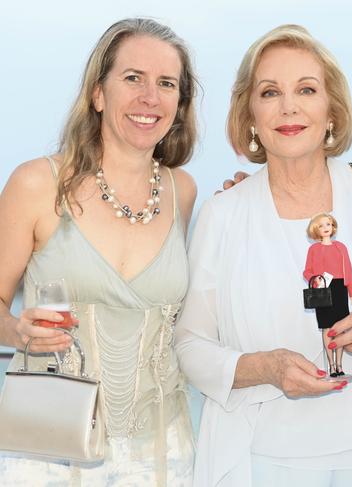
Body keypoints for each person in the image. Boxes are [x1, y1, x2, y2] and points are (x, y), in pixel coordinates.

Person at [175, 24, 352, 487]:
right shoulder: (222, 213)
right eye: (270, 92)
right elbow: (190, 344)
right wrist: (266, 368)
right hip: (258, 459)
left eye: (306, 89)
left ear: (332, 110)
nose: (289, 106)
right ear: (251, 116)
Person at [0, 18, 198, 486]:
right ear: (98, 93)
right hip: (49, 444)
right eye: (133, 78)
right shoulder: (36, 183)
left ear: (179, 104)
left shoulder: (183, 191)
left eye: (166, 84)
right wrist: (17, 330)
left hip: (161, 451)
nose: (150, 97)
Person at [303, 212, 352, 378]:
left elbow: (348, 269)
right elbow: (306, 271)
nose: (325, 228)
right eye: (321, 225)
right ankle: (331, 367)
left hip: (340, 288)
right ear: (315, 230)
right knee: (327, 328)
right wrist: (314, 280)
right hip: (323, 289)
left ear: (333, 226)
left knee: (339, 328)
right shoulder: (313, 249)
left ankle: (340, 365)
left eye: (328, 224)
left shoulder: (340, 247)